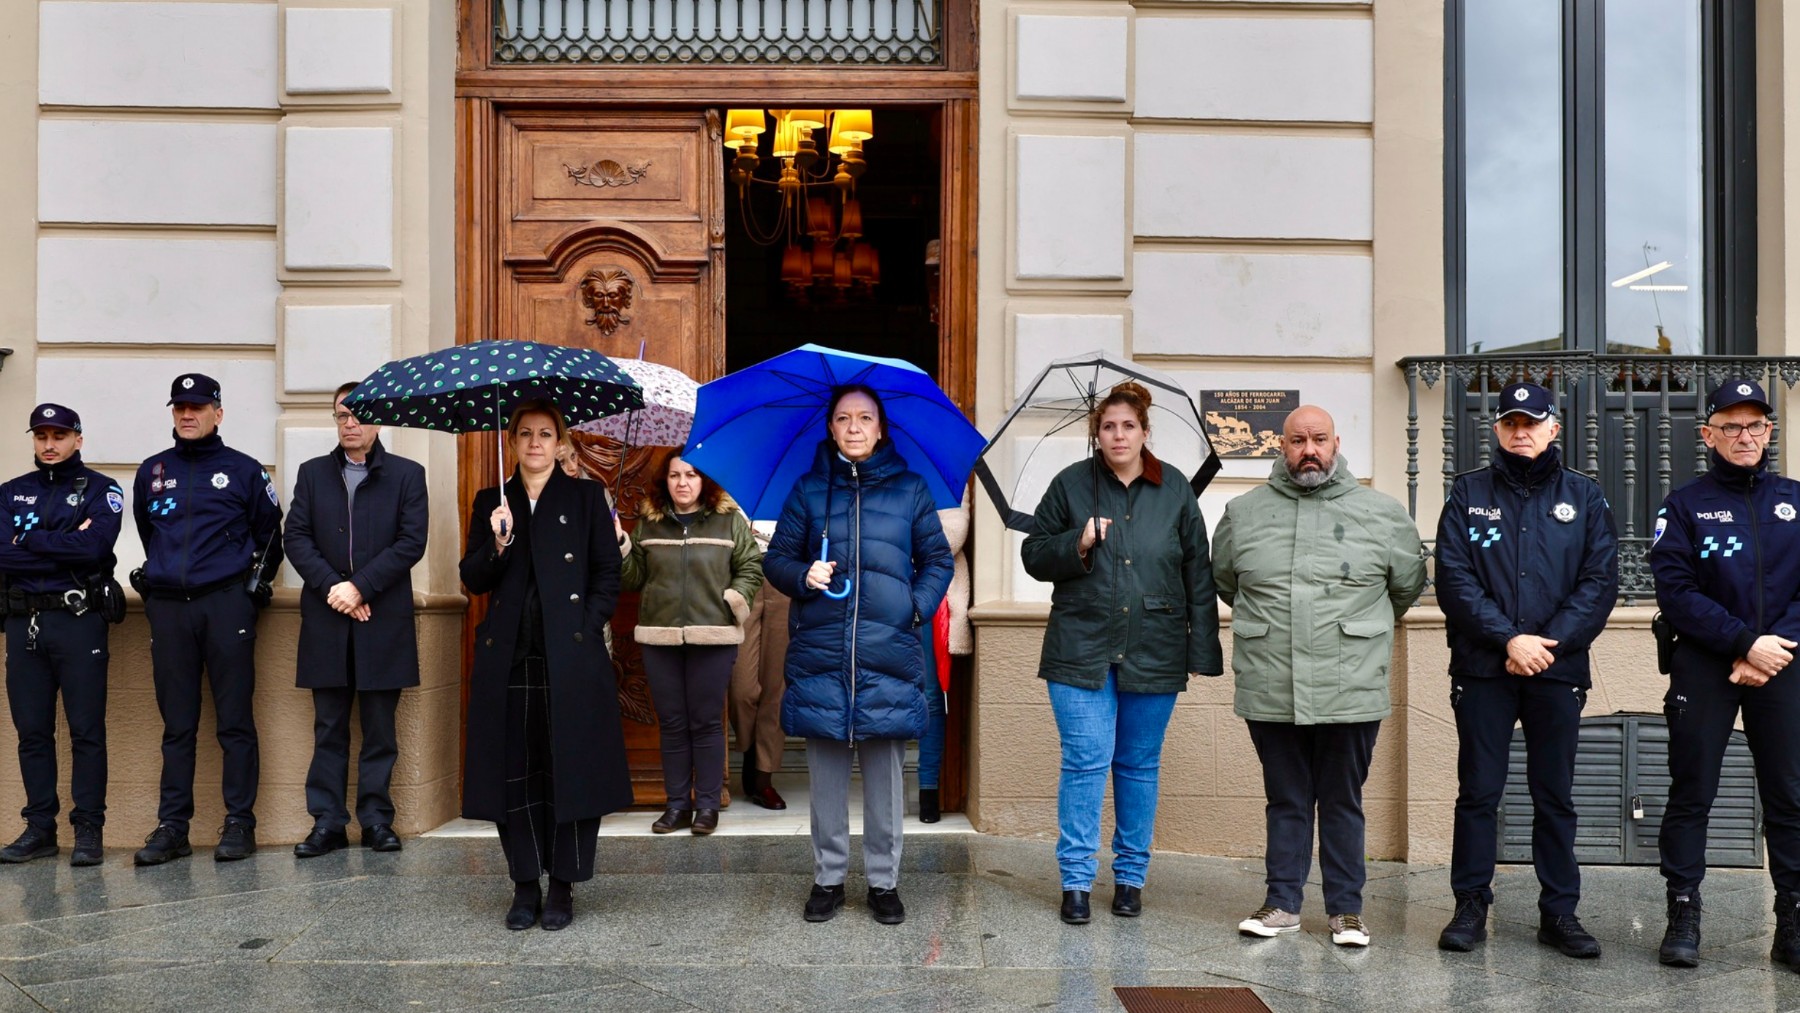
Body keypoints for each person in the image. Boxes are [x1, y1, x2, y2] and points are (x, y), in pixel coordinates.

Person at [1214, 405, 1424, 948]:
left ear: (1336, 443)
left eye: (1319, 439)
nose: (1310, 449)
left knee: (1341, 799)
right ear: (1280, 447)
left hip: (1349, 683)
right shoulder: (1243, 512)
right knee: (1285, 797)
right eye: (1298, 440)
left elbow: (1404, 588)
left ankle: (1346, 912)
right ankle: (1281, 903)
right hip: (1271, 681)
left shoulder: (1381, 512)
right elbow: (1227, 583)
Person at [1021, 381, 1223, 925]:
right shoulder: (1069, 486)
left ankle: (1131, 877)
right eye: (1107, 426)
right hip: (1079, 648)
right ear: (1097, 432)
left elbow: (1197, 574)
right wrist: (1077, 543)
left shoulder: (1176, 490)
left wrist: (1201, 651)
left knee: (1137, 766)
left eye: (1127, 425)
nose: (1117, 435)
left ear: (1144, 431)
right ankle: (1076, 882)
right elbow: (1034, 554)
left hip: (1155, 649)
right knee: (1085, 763)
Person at [1434, 382, 1618, 958]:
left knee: (1554, 794)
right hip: (1484, 668)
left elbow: (1599, 583)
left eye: (1532, 422)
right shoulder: (1467, 494)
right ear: (1497, 429)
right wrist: (1509, 639)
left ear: (1553, 428)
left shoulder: (1583, 497)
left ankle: (1559, 913)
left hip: (1556, 671)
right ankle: (1470, 905)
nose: (1521, 431)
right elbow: (1453, 579)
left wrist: (1548, 645)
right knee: (1479, 792)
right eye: (1511, 422)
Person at [762, 384, 953, 926]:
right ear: (830, 427)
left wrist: (911, 609)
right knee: (824, 776)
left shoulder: (911, 490)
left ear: (880, 427)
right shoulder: (808, 491)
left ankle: (883, 882)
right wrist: (803, 574)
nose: (853, 427)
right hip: (822, 651)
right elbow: (777, 560)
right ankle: (827, 878)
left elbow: (938, 560)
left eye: (864, 418)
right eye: (843, 418)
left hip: (887, 650)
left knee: (885, 778)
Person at [459, 400, 632, 932]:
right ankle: (524, 884)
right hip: (510, 661)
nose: (535, 443)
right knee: (517, 776)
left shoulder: (585, 498)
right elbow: (473, 579)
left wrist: (588, 620)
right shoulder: (494, 501)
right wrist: (499, 541)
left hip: (571, 662)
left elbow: (609, 575)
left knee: (569, 772)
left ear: (560, 443)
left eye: (545, 434)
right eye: (524, 434)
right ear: (510, 442)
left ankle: (562, 886)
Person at [1649, 378, 1800, 970]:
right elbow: (1676, 590)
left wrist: (1773, 647)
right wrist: (1743, 642)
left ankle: (1791, 917)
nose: (1745, 436)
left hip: (1784, 664)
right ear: (1707, 434)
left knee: (1789, 796)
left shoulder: (1794, 499)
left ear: (1769, 432)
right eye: (1731, 426)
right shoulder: (1684, 504)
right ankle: (1683, 910)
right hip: (1706, 663)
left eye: (1755, 425)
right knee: (1692, 793)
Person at [131, 373, 283, 865]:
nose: (187, 415)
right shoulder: (152, 471)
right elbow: (149, 533)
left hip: (225, 605)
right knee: (177, 725)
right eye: (179, 407)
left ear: (218, 412)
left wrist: (249, 595)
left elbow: (271, 535)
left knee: (235, 722)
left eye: (197, 407)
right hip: (170, 609)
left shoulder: (244, 471)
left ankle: (240, 821)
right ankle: (173, 826)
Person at [283, 382, 429, 858]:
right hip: (328, 619)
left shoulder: (408, 475)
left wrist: (360, 587)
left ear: (379, 420)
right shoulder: (312, 474)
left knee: (380, 730)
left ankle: (376, 820)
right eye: (342, 415)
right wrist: (335, 588)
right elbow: (296, 538)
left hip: (381, 620)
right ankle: (326, 822)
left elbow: (411, 542)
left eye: (360, 415)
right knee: (328, 727)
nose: (350, 423)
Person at [0, 404, 123, 866]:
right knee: (32, 731)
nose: (49, 445)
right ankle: (40, 827)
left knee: (86, 730)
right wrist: (63, 544)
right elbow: (1, 557)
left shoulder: (101, 489)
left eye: (59, 435)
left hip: (78, 620)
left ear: (78, 439)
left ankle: (89, 827)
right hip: (24, 622)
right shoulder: (10, 493)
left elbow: (94, 548)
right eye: (41, 436)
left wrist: (26, 541)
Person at [618, 455, 763, 835]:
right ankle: (678, 805)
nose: (682, 483)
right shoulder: (649, 524)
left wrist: (735, 599)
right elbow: (632, 579)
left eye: (691, 475)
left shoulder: (729, 521)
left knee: (705, 722)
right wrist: (620, 545)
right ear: (664, 481)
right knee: (672, 723)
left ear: (705, 481)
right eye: (675, 475)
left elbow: (751, 567)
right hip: (659, 636)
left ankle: (708, 807)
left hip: (713, 636)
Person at [917, 498, 972, 824]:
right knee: (882, 694)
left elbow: (952, 535)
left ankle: (927, 790)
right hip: (882, 597)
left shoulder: (945, 476)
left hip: (930, 601)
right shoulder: (875, 475)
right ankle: (885, 788)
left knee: (931, 699)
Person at [730, 519, 791, 810]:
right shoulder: (730, 484)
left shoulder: (797, 483)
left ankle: (763, 777)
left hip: (784, 576)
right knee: (741, 688)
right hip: (742, 576)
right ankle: (751, 750)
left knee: (775, 688)